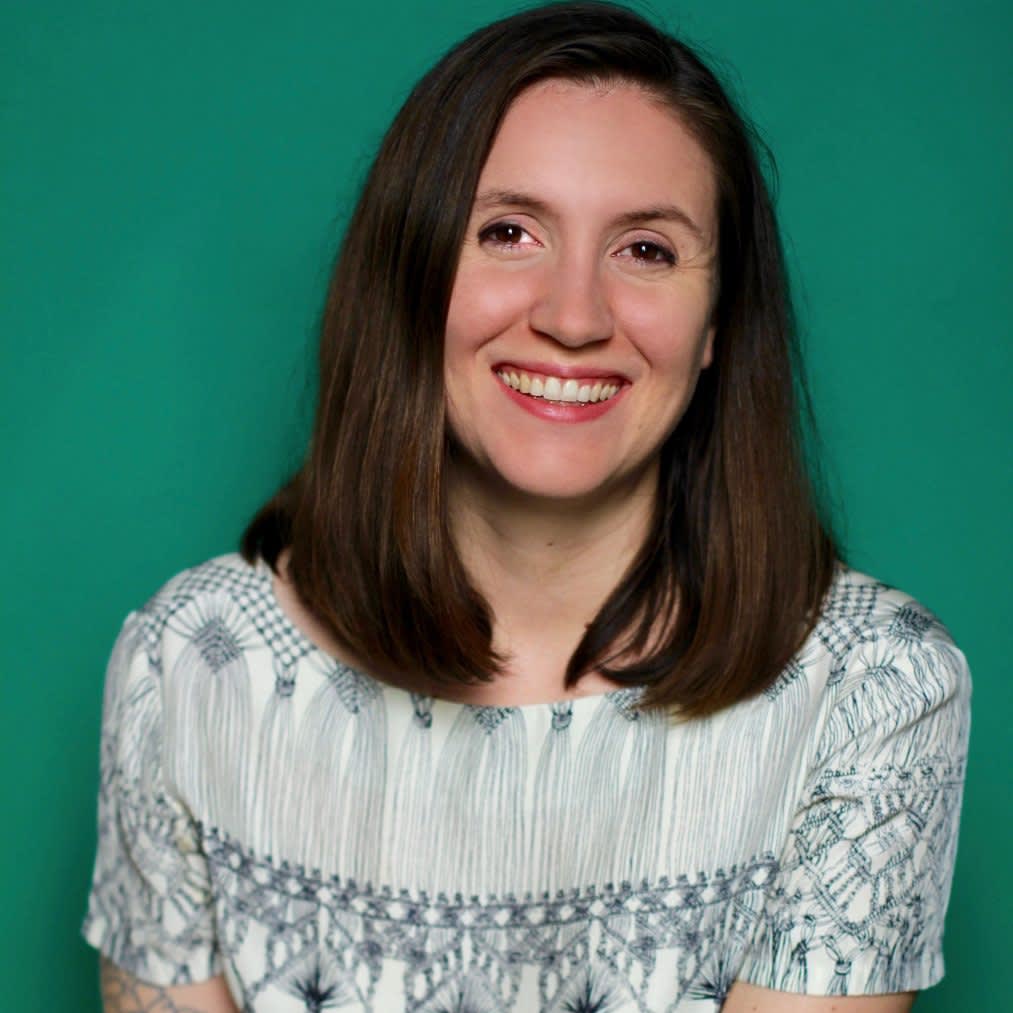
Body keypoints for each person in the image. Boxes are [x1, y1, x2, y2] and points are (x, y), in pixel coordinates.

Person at [81, 3, 971, 1011]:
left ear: (717, 321)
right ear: (410, 276)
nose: (572, 316)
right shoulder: (189, 668)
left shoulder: (870, 691)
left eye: (645, 250)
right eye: (507, 231)